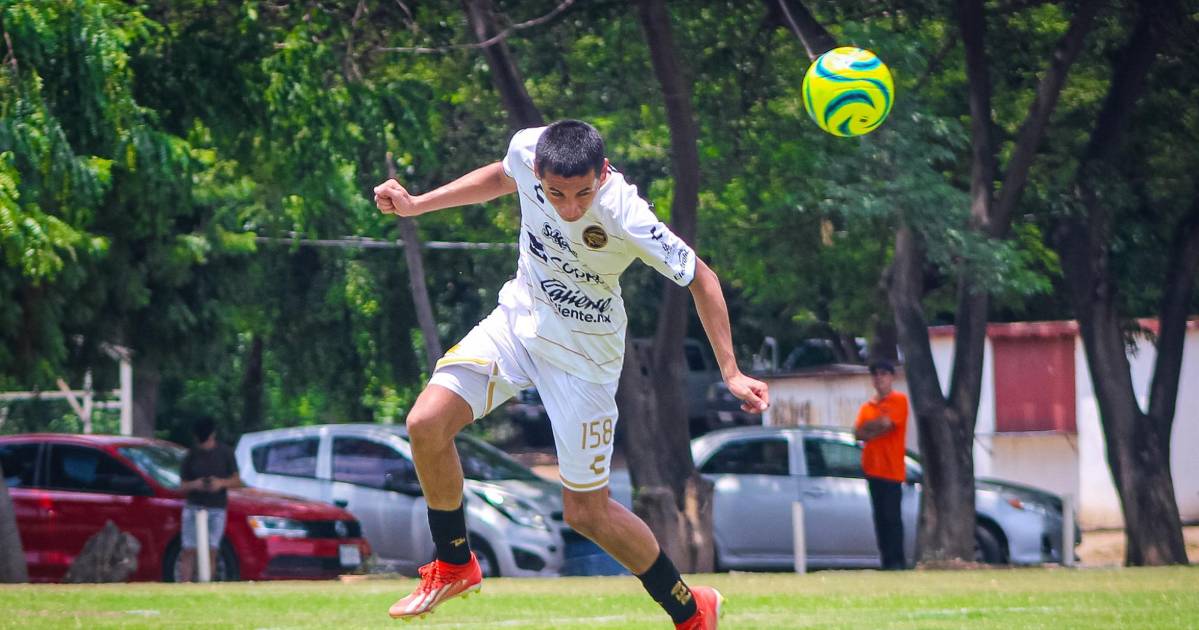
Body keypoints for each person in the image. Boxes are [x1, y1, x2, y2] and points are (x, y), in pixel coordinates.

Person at [373, 120, 769, 629]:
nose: (570, 208)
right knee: (425, 423)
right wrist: (417, 204)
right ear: (538, 171)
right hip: (518, 324)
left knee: (587, 514)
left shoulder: (625, 212)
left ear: (602, 173)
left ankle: (692, 611)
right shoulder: (526, 150)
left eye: (583, 193)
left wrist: (731, 373)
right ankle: (454, 563)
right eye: (557, 194)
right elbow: (501, 176)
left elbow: (703, 279)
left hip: (585, 361)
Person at [853, 359, 910, 570]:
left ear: (891, 377)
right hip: (872, 469)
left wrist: (872, 428)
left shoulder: (899, 400)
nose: (879, 378)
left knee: (892, 517)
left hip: (892, 470)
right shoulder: (867, 407)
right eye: (876, 374)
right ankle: (886, 561)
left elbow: (888, 424)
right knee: (880, 519)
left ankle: (897, 561)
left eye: (883, 374)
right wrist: (877, 427)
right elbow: (859, 432)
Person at [178, 416, 241, 581]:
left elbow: (237, 481)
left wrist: (220, 483)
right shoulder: (191, 455)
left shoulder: (225, 453)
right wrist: (195, 484)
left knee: (212, 550)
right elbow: (182, 485)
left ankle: (206, 582)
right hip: (194, 506)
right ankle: (185, 583)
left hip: (217, 507)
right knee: (189, 549)